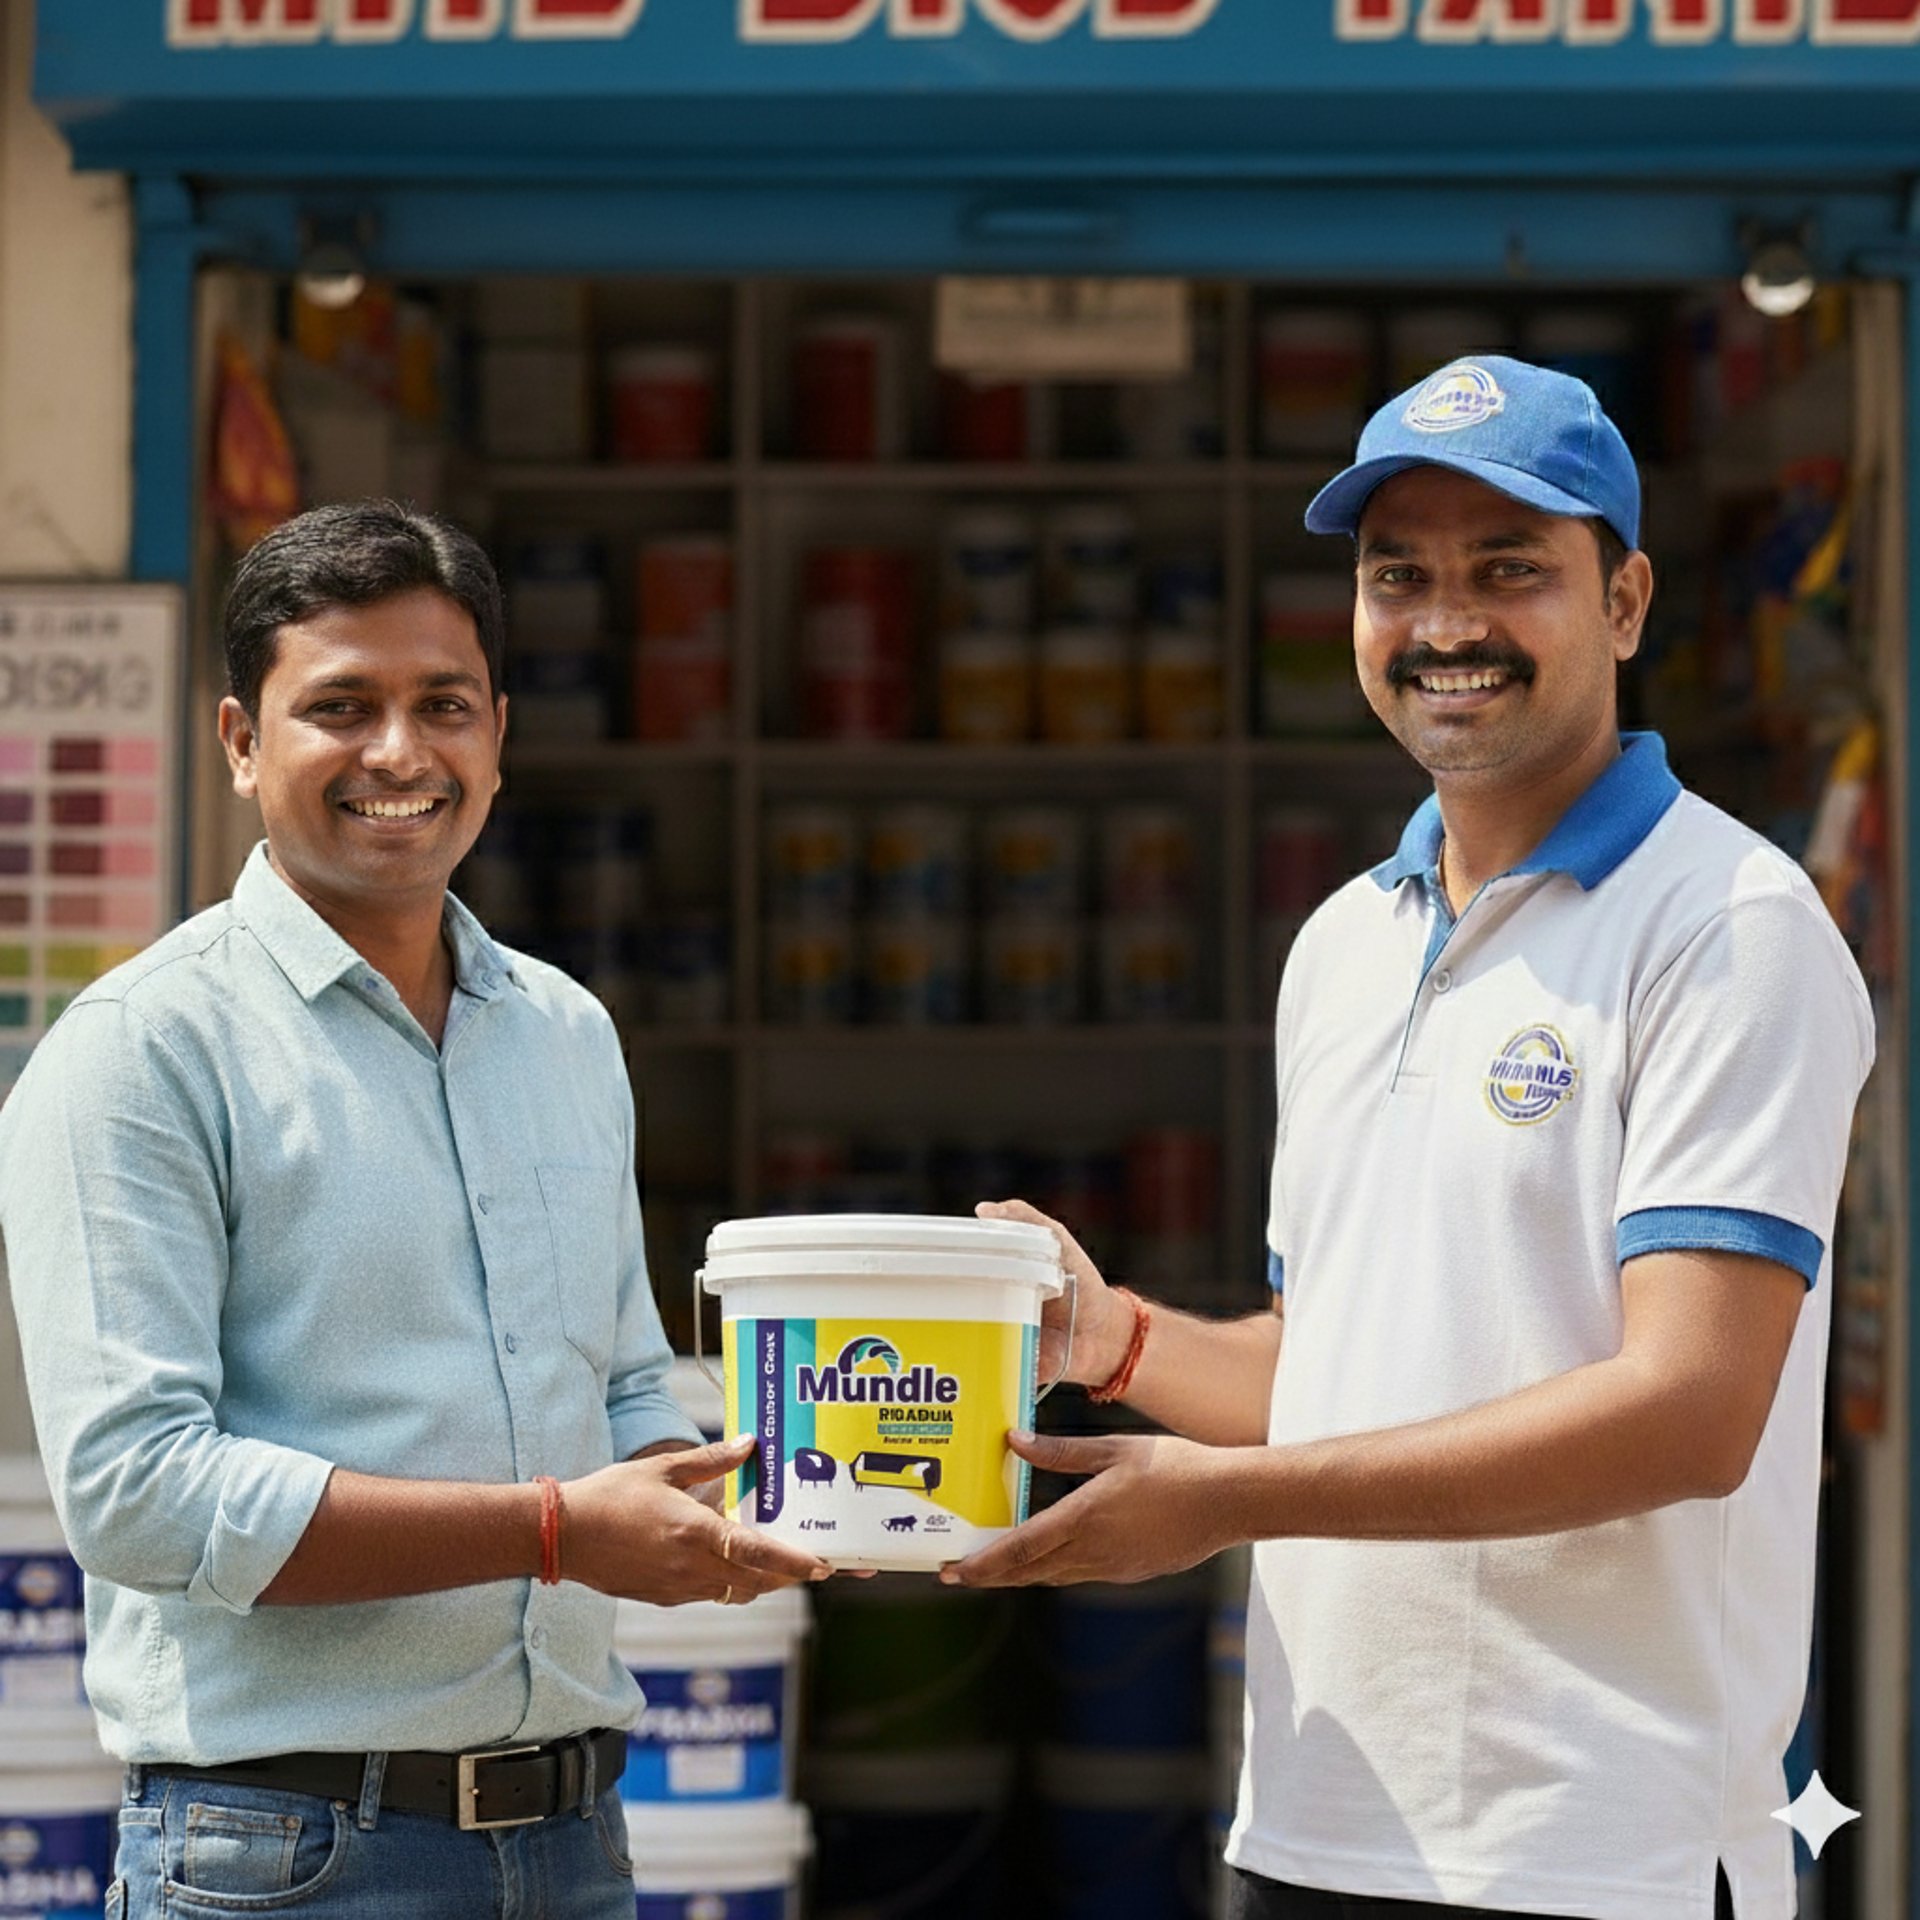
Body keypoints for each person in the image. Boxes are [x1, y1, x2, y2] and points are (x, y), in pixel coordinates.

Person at [947, 358, 1873, 1920]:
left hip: (1603, 1853)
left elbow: (1690, 1411)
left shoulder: (1728, 925)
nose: (1449, 624)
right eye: (1401, 577)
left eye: (1512, 569)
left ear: (1628, 602)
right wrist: (1115, 1340)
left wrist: (1219, 1504)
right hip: (1320, 1827)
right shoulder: (1343, 944)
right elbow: (1337, 1370)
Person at [0, 500, 828, 1920]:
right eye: (341, 707)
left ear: (497, 734)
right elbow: (139, 1493)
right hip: (285, 1856)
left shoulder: (562, 1030)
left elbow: (624, 1375)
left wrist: (769, 1497)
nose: (401, 753)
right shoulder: (141, 1050)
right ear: (241, 743)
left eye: (443, 704)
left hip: (573, 1840)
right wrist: (559, 1527)